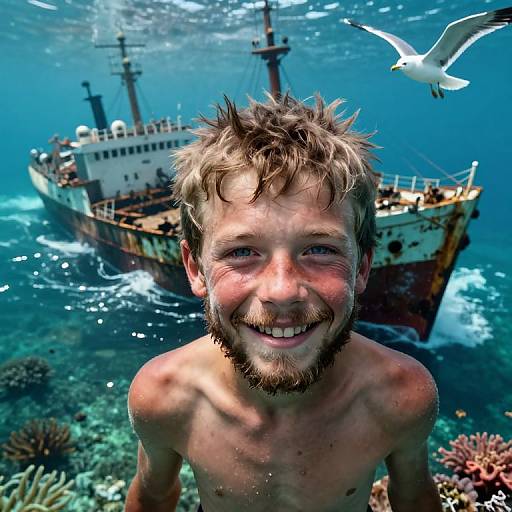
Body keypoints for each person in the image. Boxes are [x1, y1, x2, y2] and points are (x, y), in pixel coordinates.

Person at [125, 95, 443, 512]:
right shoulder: (163, 397)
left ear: (362, 267)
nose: (281, 291)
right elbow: (152, 497)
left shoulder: (402, 395)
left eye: (319, 249)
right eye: (241, 252)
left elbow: (414, 497)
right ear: (196, 269)